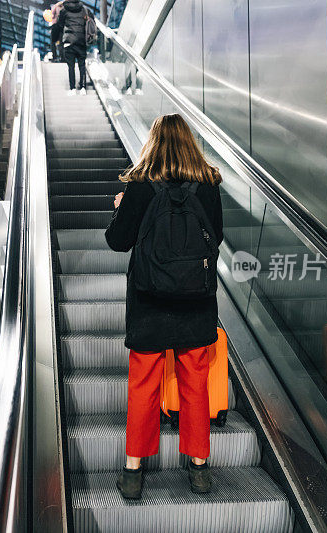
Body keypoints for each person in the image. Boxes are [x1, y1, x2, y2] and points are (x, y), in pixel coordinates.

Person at [105, 114, 224, 499]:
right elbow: (216, 237)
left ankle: (134, 471)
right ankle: (200, 469)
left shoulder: (140, 186)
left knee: (143, 384)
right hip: (196, 301)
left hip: (149, 300)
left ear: (153, 142)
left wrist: (121, 207)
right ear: (189, 142)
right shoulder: (207, 185)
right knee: (195, 383)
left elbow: (118, 241)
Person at [54, 0, 91, 95]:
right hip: (81, 40)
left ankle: (73, 88)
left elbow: (60, 24)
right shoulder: (84, 9)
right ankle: (83, 88)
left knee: (71, 66)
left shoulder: (64, 10)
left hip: (69, 41)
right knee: (82, 65)